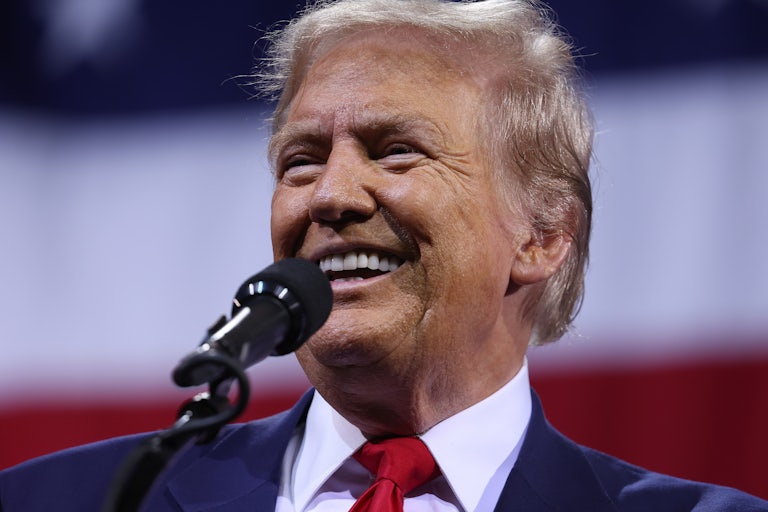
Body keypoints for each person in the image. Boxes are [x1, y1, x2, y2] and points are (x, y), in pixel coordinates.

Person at [1, 0, 766, 510]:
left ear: (541, 234)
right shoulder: (74, 499)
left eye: (396, 151)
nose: (330, 196)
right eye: (300, 160)